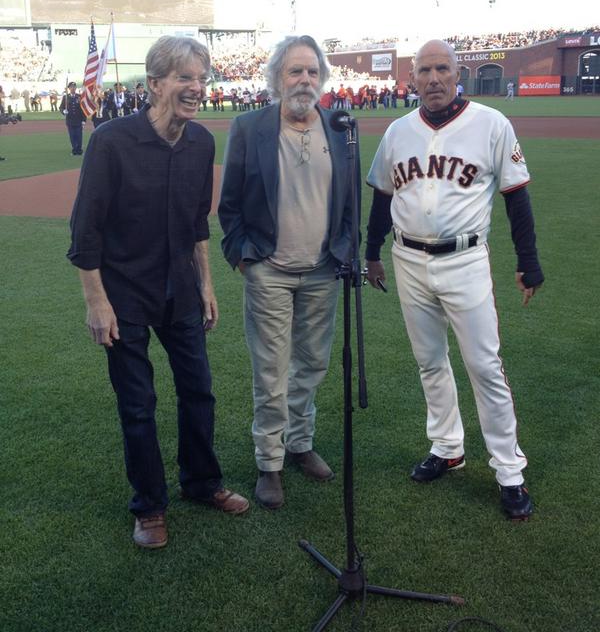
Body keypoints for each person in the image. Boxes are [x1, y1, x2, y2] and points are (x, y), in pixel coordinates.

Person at [68, 36, 249, 549]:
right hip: (124, 295)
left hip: (182, 292)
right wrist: (96, 302)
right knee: (138, 404)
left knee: (199, 392)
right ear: (154, 85)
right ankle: (149, 507)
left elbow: (197, 224)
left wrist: (207, 284)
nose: (196, 88)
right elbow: (85, 231)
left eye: (201, 78)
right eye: (184, 78)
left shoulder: (201, 143)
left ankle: (202, 483)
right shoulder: (111, 142)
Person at [365, 39, 544, 521]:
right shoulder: (399, 130)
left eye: (443, 68)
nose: (434, 78)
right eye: (425, 70)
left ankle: (509, 471)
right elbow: (382, 197)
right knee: (429, 361)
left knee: (485, 366)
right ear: (414, 78)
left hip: (465, 261)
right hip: (408, 258)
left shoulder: (490, 123)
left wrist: (529, 261)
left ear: (458, 72)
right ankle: (447, 447)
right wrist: (372, 252)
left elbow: (516, 197)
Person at [218, 35, 354, 510]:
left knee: (312, 365)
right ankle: (269, 461)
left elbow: (350, 200)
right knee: (271, 371)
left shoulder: (339, 128)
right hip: (270, 271)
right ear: (277, 77)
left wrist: (346, 249)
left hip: (321, 272)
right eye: (295, 71)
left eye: (312, 72)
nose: (304, 80)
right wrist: (242, 256)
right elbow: (229, 203)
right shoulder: (249, 126)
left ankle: (299, 444)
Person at [59, 82, 86, 155]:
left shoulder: (79, 97)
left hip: (78, 120)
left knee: (79, 136)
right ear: (69, 88)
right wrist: (64, 111)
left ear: (76, 88)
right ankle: (74, 150)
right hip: (70, 120)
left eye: (74, 87)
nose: (73, 88)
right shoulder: (65, 97)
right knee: (72, 136)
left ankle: (79, 150)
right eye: (71, 87)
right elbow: (61, 107)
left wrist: (84, 120)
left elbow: (83, 109)